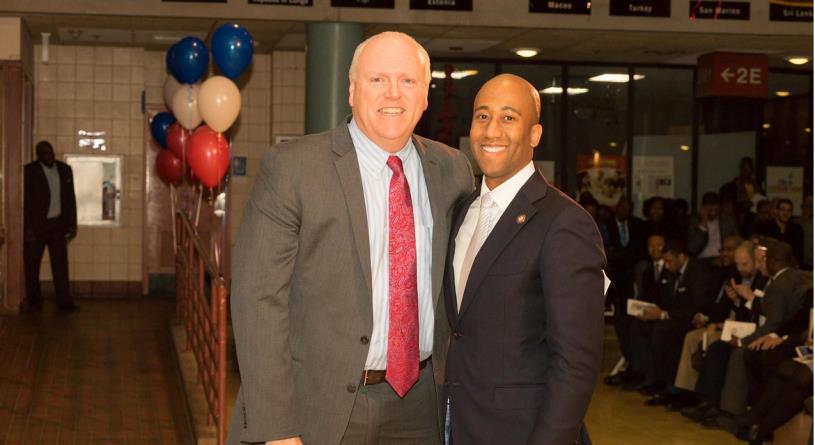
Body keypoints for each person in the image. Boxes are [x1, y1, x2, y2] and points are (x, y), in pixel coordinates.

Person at [227, 32, 474, 445]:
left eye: (408, 81)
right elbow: (257, 300)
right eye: (377, 80)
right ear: (352, 90)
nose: (393, 93)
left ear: (425, 96)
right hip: (318, 407)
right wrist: (278, 428)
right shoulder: (293, 169)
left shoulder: (453, 171)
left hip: (421, 405)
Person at [444, 73, 606, 444]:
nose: (492, 131)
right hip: (457, 423)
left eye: (508, 117)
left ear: (534, 134)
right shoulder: (460, 210)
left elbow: (575, 363)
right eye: (482, 117)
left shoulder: (565, 223)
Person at [627, 239, 712, 406]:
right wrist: (653, 311)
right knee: (639, 325)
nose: (666, 265)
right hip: (672, 317)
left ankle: (669, 386)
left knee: (663, 331)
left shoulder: (698, 272)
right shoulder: (670, 272)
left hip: (692, 319)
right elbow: (663, 298)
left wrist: (664, 314)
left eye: (669, 261)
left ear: (681, 257)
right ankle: (645, 375)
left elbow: (697, 305)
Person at [23, 140, 78, 313]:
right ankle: (35, 302)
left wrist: (72, 224)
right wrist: (27, 229)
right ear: (38, 156)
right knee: (32, 265)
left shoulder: (64, 170)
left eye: (51, 152)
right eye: (45, 154)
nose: (49, 156)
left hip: (57, 225)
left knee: (60, 265)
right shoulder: (29, 172)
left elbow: (70, 199)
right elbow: (24, 203)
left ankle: (64, 302)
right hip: (36, 227)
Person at [687, 192, 739, 261]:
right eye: (710, 210)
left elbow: (737, 241)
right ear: (703, 208)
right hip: (702, 260)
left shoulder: (728, 221)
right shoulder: (695, 221)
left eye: (716, 210)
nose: (713, 213)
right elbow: (692, 248)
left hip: (723, 258)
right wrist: (703, 225)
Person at [759, 198, 805, 266]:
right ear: (777, 211)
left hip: (791, 266)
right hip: (770, 265)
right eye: (782, 210)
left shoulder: (797, 229)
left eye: (789, 210)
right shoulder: (765, 227)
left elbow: (799, 252)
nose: (785, 213)